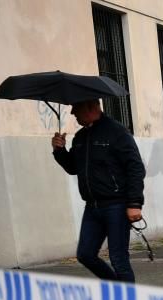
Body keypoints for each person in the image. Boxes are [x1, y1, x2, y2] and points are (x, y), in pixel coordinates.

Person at [51, 99, 145, 283]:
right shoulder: (80, 137)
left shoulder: (117, 132)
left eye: (76, 108)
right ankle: (119, 290)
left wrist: (134, 203)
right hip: (92, 207)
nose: (72, 114)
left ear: (92, 107)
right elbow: (73, 168)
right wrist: (59, 151)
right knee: (85, 254)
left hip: (116, 206)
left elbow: (135, 167)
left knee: (119, 259)